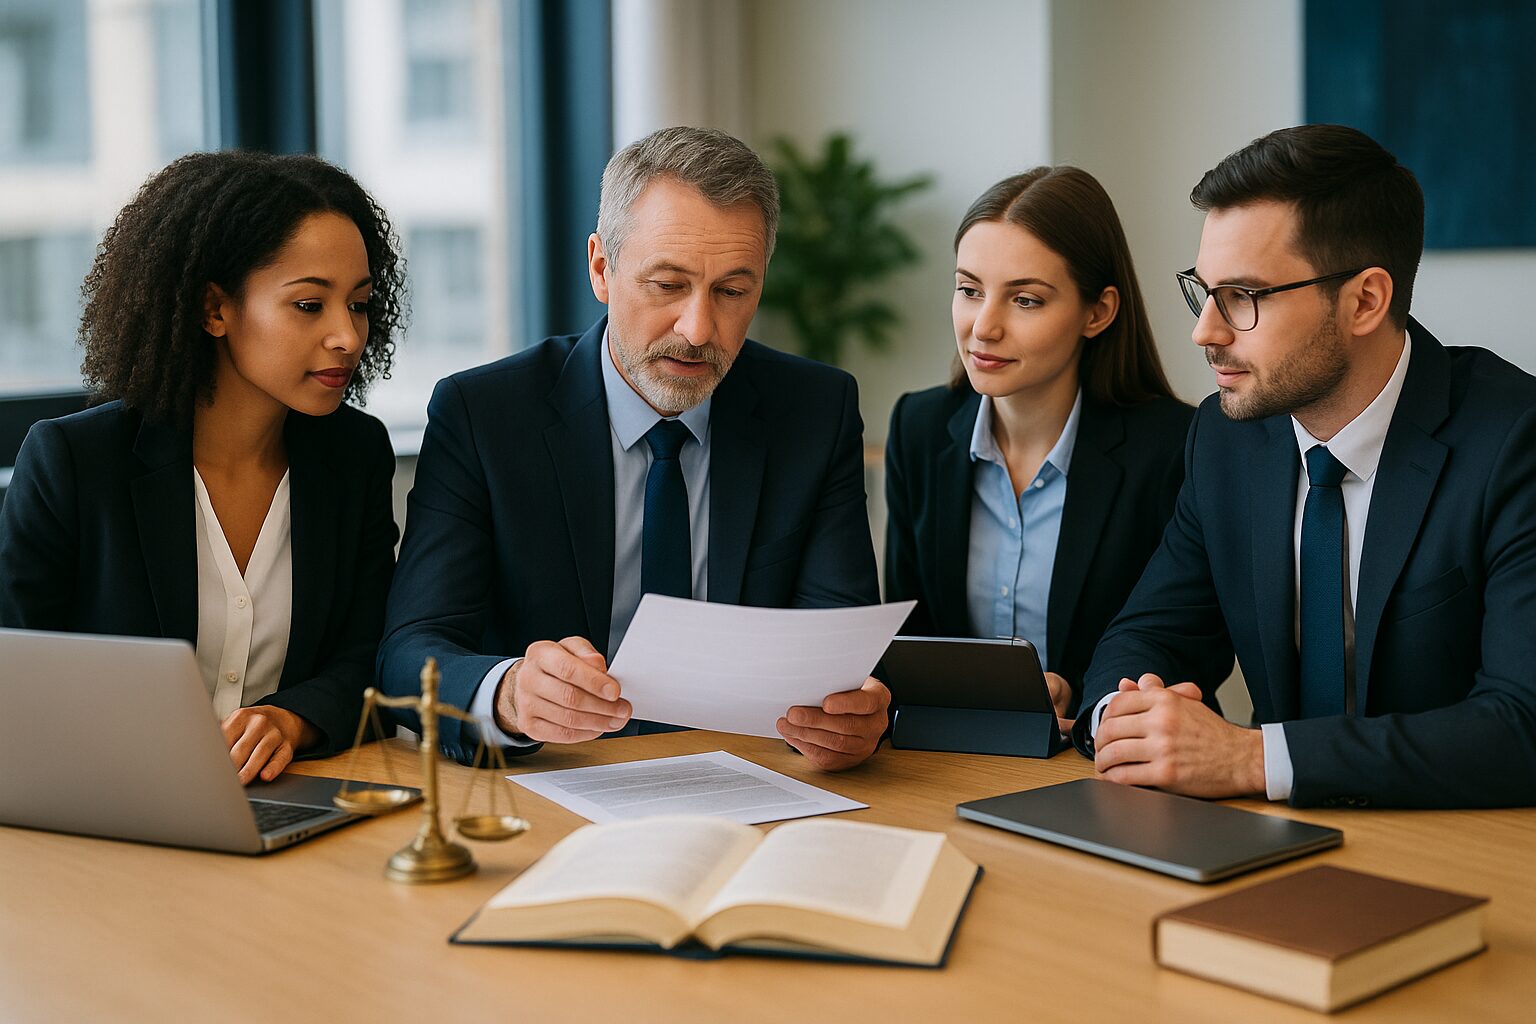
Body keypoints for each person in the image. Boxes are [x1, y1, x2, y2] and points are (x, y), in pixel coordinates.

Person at [378, 126, 886, 770]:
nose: (699, 329)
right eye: (667, 285)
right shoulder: (484, 415)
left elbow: (838, 648)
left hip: (751, 781)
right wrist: (508, 695)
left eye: (733, 291)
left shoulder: (814, 411)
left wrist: (849, 719)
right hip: (553, 783)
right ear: (601, 267)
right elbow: (407, 654)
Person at [1075, 124, 1536, 808]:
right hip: (1271, 843)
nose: (1205, 330)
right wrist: (1124, 720)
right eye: (1204, 291)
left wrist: (1252, 759)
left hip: (1458, 848)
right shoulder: (1225, 438)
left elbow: (1520, 726)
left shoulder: (1514, 441)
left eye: (1244, 296)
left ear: (1365, 301)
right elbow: (1149, 634)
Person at [0, 151, 404, 784]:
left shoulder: (355, 455)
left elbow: (373, 656)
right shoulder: (74, 463)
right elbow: (18, 679)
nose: (348, 337)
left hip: (291, 799)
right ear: (214, 309)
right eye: (308, 305)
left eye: (357, 304)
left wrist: (293, 720)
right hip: (110, 804)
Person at [884, 167, 1195, 727]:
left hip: (1111, 757)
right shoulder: (919, 427)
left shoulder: (1175, 446)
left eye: (1025, 300)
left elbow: (1191, 643)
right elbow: (906, 633)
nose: (983, 326)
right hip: (952, 753)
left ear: (1097, 312)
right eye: (969, 290)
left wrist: (1084, 694)